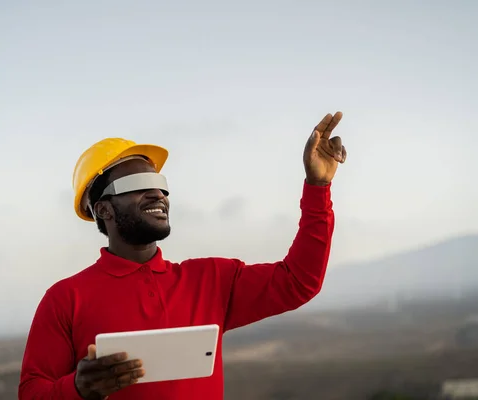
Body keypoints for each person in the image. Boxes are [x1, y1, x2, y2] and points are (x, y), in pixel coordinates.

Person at [18, 112, 347, 400]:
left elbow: (299, 281)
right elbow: (33, 393)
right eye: (138, 183)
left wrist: (317, 188)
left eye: (160, 183)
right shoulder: (64, 300)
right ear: (103, 208)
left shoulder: (211, 280)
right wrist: (77, 390)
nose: (157, 193)